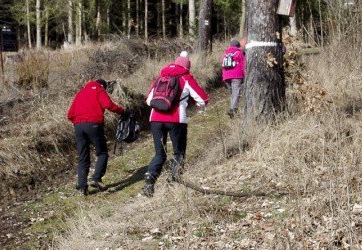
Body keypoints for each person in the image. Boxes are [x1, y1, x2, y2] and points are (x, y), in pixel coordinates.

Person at [142, 51, 209, 197]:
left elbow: (148, 100)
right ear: (187, 67)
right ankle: (174, 182)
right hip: (176, 120)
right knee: (179, 152)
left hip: (155, 119)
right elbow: (203, 99)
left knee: (160, 153)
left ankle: (149, 178)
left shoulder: (161, 77)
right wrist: (194, 104)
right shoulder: (186, 77)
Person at [67, 78, 126, 195]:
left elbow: (70, 114)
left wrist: (79, 121)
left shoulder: (80, 92)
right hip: (93, 124)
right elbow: (107, 104)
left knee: (83, 156)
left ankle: (82, 185)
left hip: (78, 126)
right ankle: (96, 178)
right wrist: (121, 111)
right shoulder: (99, 90)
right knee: (102, 152)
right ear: (103, 86)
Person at [221, 38, 246, 117]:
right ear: (238, 46)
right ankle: (233, 109)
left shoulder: (225, 54)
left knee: (232, 93)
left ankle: (232, 109)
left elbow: (222, 65)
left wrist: (223, 76)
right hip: (237, 75)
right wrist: (245, 74)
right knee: (236, 92)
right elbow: (243, 64)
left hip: (226, 76)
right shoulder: (239, 53)